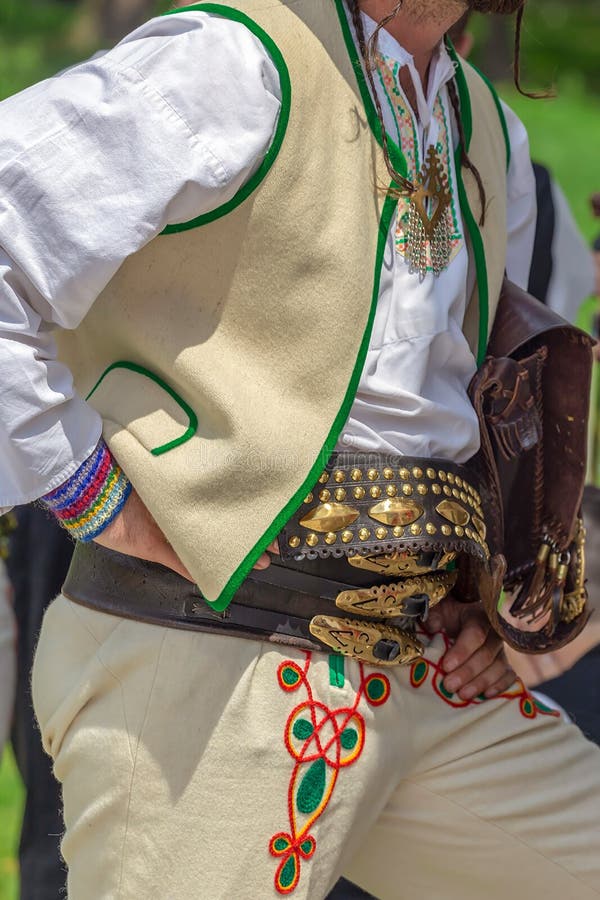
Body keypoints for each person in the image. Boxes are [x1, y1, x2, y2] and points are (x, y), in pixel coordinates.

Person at [1, 1, 600, 898]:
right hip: (210, 668)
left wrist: (482, 589)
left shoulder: (485, 126)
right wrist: (91, 493)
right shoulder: (233, 61)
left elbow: (446, 396)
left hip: (425, 675)